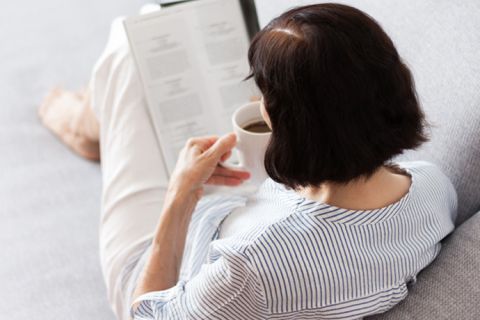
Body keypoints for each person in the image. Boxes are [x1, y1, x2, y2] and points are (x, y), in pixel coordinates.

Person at [39, 3, 457, 320]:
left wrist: (179, 196)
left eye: (265, 97)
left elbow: (146, 314)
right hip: (238, 210)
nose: (259, 104)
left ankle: (79, 122)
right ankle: (96, 118)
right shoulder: (432, 189)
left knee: (128, 43)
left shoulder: (253, 266)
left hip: (156, 264)